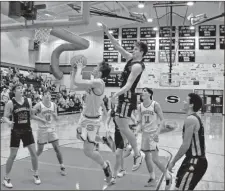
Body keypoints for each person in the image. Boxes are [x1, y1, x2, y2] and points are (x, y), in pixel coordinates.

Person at [102, 23, 148, 171]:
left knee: (122, 124)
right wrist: (107, 32)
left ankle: (137, 154)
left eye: (135, 49)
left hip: (128, 96)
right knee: (118, 121)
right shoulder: (129, 58)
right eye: (133, 48)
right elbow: (117, 46)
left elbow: (128, 85)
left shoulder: (137, 66)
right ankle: (129, 145)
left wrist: (116, 93)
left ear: (141, 52)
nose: (132, 50)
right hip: (124, 96)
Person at [71, 57, 113, 183]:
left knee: (88, 152)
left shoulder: (99, 82)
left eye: (96, 67)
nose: (94, 68)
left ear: (100, 73)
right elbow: (74, 86)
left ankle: (105, 166)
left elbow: (78, 82)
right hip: (84, 116)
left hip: (92, 121)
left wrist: (79, 68)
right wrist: (74, 71)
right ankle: (103, 139)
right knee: (79, 136)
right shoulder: (93, 80)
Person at [1, 84, 41, 188]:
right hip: (16, 131)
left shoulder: (28, 101)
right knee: (13, 155)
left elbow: (31, 115)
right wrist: (9, 122)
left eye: (21, 88)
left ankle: (36, 174)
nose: (21, 89)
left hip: (27, 130)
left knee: (34, 153)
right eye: (18, 88)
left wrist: (41, 119)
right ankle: (6, 178)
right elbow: (4, 117)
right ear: (14, 91)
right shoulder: (10, 103)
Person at [168, 93, 208, 190]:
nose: (183, 102)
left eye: (186, 100)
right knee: (177, 187)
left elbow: (185, 145)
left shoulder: (191, 119)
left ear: (191, 104)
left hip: (195, 161)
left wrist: (173, 162)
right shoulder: (193, 118)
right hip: (190, 160)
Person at [135, 88, 172, 189]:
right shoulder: (140, 106)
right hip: (145, 134)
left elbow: (162, 119)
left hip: (153, 134)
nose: (143, 92)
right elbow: (139, 122)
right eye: (142, 91)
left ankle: (168, 175)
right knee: (147, 157)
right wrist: (136, 131)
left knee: (155, 159)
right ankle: (152, 178)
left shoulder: (155, 105)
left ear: (150, 94)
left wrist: (157, 132)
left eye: (145, 91)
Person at [32, 89, 66, 176]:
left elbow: (57, 119)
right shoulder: (39, 105)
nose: (47, 96)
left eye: (49, 94)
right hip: (42, 130)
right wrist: (40, 119)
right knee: (40, 150)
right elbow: (31, 115)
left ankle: (62, 166)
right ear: (43, 96)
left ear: (51, 96)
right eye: (46, 94)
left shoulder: (54, 105)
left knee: (57, 148)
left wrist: (55, 116)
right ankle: (34, 163)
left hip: (51, 129)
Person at [106, 103, 127, 185]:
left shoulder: (125, 111)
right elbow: (106, 122)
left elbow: (134, 120)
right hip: (116, 135)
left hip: (124, 135)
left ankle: (113, 177)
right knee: (119, 154)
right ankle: (123, 170)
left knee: (118, 154)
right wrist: (107, 129)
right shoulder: (111, 111)